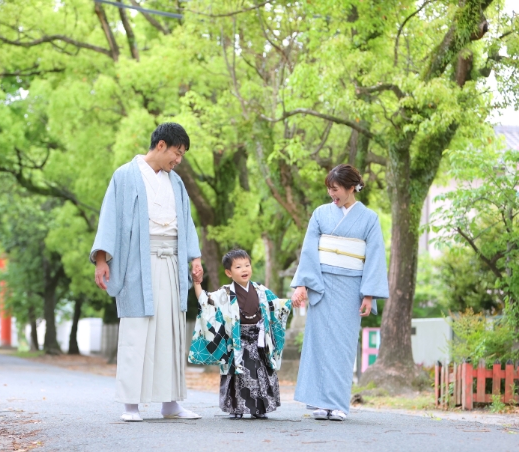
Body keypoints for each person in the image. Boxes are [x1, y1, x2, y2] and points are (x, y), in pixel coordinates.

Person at [90, 123, 204, 422]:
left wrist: (195, 256)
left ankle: (171, 403)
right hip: (137, 262)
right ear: (162, 145)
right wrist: (102, 260)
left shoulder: (176, 183)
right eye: (177, 153)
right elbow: (110, 218)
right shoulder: (125, 176)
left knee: (171, 331)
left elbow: (187, 222)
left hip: (172, 262)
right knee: (137, 331)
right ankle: (131, 404)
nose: (178, 160)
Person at [290, 164, 389, 421]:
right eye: (329, 189)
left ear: (350, 187)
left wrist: (369, 294)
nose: (331, 194)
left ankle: (338, 404)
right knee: (318, 342)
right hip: (321, 283)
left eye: (335, 189)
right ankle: (319, 403)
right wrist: (303, 284)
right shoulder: (321, 214)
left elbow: (375, 255)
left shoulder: (369, 218)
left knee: (343, 346)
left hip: (351, 286)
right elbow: (310, 249)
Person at [190, 249, 292, 419]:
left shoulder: (260, 290)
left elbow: (276, 305)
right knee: (236, 375)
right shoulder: (225, 293)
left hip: (258, 341)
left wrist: (292, 302)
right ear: (229, 272)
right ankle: (236, 408)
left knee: (261, 373)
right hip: (236, 342)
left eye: (247, 265)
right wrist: (197, 283)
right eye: (238, 267)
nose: (244, 269)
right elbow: (206, 302)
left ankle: (260, 408)